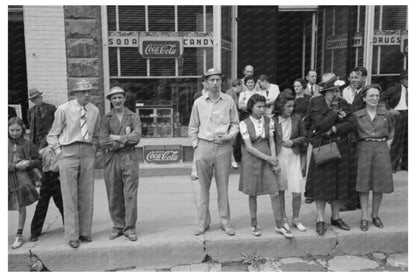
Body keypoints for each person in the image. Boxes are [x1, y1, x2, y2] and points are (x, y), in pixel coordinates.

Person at [47, 79, 101, 248]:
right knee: (69, 196)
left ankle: (85, 232)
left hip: (87, 152)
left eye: (89, 92)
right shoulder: (63, 109)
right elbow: (52, 134)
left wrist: (95, 150)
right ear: (75, 93)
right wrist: (59, 153)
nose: (86, 95)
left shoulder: (94, 110)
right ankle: (72, 235)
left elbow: (96, 133)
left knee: (87, 194)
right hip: (68, 152)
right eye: (83, 92)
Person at [303, 73, 356, 236]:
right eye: (333, 90)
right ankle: (320, 219)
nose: (337, 93)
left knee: (338, 183)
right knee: (321, 185)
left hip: (341, 147)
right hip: (322, 147)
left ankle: (336, 217)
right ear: (325, 91)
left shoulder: (342, 103)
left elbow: (352, 123)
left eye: (338, 90)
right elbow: (318, 125)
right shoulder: (316, 103)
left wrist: (335, 128)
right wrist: (335, 114)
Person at [189, 68, 239, 236]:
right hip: (204, 146)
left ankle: (225, 222)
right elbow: (193, 127)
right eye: (212, 80)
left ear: (221, 82)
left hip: (223, 147)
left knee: (223, 188)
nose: (215, 83)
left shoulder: (229, 100)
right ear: (205, 82)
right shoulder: (199, 102)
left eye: (218, 80)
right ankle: (203, 222)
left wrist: (229, 136)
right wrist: (197, 146)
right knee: (203, 188)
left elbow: (235, 123)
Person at [239, 94, 286, 237]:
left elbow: (271, 141)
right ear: (251, 107)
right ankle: (254, 223)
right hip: (252, 159)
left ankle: (279, 224)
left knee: (274, 191)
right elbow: (249, 147)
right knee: (253, 193)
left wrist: (273, 159)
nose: (261, 109)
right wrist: (268, 158)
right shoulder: (244, 123)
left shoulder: (269, 121)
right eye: (258, 107)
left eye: (263, 106)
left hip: (267, 157)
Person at [99, 86, 141, 241]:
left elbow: (136, 137)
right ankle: (118, 226)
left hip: (129, 158)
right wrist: (124, 140)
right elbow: (103, 141)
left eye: (119, 97)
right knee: (114, 193)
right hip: (112, 159)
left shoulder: (133, 116)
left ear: (124, 98)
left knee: (130, 193)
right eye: (114, 98)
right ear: (110, 100)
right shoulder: (106, 119)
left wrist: (116, 138)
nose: (117, 100)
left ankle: (130, 227)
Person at [353, 84, 394, 231]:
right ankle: (364, 217)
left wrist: (387, 145)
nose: (374, 98)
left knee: (379, 185)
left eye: (377, 95)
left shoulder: (386, 114)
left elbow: (391, 132)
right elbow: (353, 135)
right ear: (364, 98)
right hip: (364, 150)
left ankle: (375, 215)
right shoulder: (357, 115)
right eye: (371, 95)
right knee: (364, 185)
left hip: (381, 150)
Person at [272, 94, 308, 233]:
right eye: (288, 106)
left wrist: (293, 142)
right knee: (280, 189)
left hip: (294, 156)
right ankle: (283, 218)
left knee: (297, 189)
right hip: (280, 156)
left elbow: (305, 137)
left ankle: (296, 218)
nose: (291, 109)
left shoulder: (297, 119)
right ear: (280, 106)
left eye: (293, 106)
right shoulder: (273, 120)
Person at [8, 117, 41, 249]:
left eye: (18, 130)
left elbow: (38, 160)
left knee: (21, 205)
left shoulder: (28, 144)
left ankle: (19, 234)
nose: (14, 133)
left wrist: (29, 163)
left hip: (21, 180)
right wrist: (14, 167)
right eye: (12, 130)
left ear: (23, 130)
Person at [29, 146, 64, 242]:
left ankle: (69, 227)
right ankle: (34, 232)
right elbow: (34, 165)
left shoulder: (62, 150)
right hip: (46, 178)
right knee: (41, 205)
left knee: (62, 203)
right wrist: (40, 177)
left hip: (57, 178)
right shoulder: (43, 151)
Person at [381, 69, 408, 172]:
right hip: (398, 114)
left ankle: (406, 164)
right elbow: (382, 97)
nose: (409, 81)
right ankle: (392, 165)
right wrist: (389, 109)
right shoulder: (394, 89)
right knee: (397, 140)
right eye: (406, 79)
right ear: (401, 80)